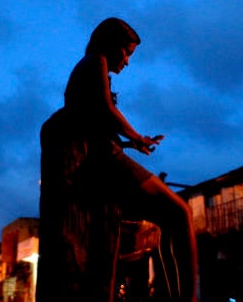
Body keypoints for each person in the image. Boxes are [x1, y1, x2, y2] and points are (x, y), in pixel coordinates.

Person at [37, 17, 198, 302]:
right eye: (126, 53)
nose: (127, 62)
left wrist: (131, 142)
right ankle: (186, 297)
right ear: (110, 44)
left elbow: (94, 122)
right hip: (103, 161)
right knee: (179, 212)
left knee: (168, 218)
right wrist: (135, 137)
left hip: (102, 157)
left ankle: (176, 294)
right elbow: (106, 107)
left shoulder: (89, 69)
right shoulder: (94, 61)